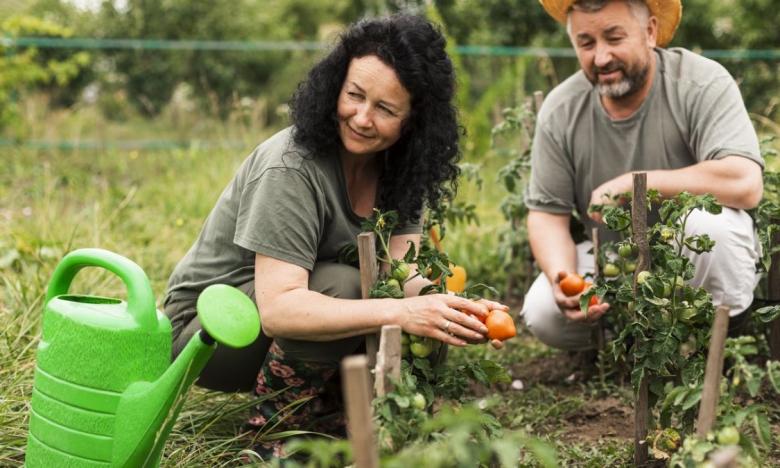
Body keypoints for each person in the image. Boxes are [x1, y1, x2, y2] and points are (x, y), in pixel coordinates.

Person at [164, 13, 507, 460]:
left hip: (271, 320)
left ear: (413, 122)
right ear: (335, 87)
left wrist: (456, 310)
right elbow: (280, 311)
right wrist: (404, 311)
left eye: (385, 109)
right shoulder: (291, 166)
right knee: (344, 286)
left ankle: (342, 418)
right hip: (206, 332)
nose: (362, 118)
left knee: (427, 309)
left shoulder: (402, 171)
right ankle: (276, 437)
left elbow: (402, 274)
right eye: (354, 95)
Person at [522, 0, 764, 354]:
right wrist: (563, 278)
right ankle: (628, 347)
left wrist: (637, 183)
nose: (601, 57)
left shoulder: (701, 83)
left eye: (614, 38)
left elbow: (744, 183)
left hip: (692, 259)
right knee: (544, 311)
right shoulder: (562, 110)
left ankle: (716, 346)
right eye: (586, 43)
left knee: (707, 226)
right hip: (617, 263)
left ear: (650, 32)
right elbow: (547, 214)